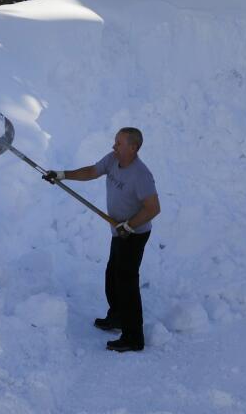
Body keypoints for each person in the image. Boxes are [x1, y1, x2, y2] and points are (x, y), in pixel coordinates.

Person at [44, 128, 160, 353]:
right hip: (120, 231)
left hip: (134, 234)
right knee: (112, 274)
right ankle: (117, 317)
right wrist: (62, 175)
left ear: (133, 148)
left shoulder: (141, 175)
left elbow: (153, 208)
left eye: (118, 143)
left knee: (127, 283)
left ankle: (134, 337)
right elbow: (91, 171)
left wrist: (129, 225)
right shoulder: (113, 160)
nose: (113, 146)